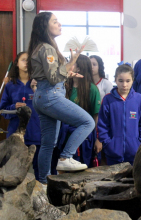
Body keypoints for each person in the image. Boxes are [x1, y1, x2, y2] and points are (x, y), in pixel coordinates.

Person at [28, 12, 94, 183]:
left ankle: (43, 183)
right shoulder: (48, 48)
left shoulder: (39, 47)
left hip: (43, 96)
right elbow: (53, 78)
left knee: (48, 144)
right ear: (45, 26)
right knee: (88, 122)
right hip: (51, 95)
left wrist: (67, 72)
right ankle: (65, 158)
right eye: (55, 21)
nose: (59, 24)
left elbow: (51, 76)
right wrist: (73, 61)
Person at [97, 64, 141, 165]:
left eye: (128, 81)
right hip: (113, 154)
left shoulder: (139, 99)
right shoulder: (108, 99)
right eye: (121, 81)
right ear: (115, 80)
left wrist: (139, 144)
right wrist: (109, 144)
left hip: (135, 154)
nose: (124, 85)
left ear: (133, 81)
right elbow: (102, 125)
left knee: (133, 180)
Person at [0, 52, 42, 180]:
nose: (27, 63)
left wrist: (37, 89)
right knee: (13, 173)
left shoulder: (39, 84)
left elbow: (49, 107)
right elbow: (2, 110)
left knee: (40, 172)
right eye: (24, 60)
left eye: (29, 60)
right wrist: (14, 107)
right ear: (17, 63)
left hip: (38, 134)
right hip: (16, 137)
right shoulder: (10, 85)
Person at [57, 54, 101, 167]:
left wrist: (97, 138)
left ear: (79, 68)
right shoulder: (64, 85)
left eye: (73, 63)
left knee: (82, 166)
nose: (69, 65)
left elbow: (96, 117)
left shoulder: (92, 89)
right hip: (64, 134)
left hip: (83, 136)